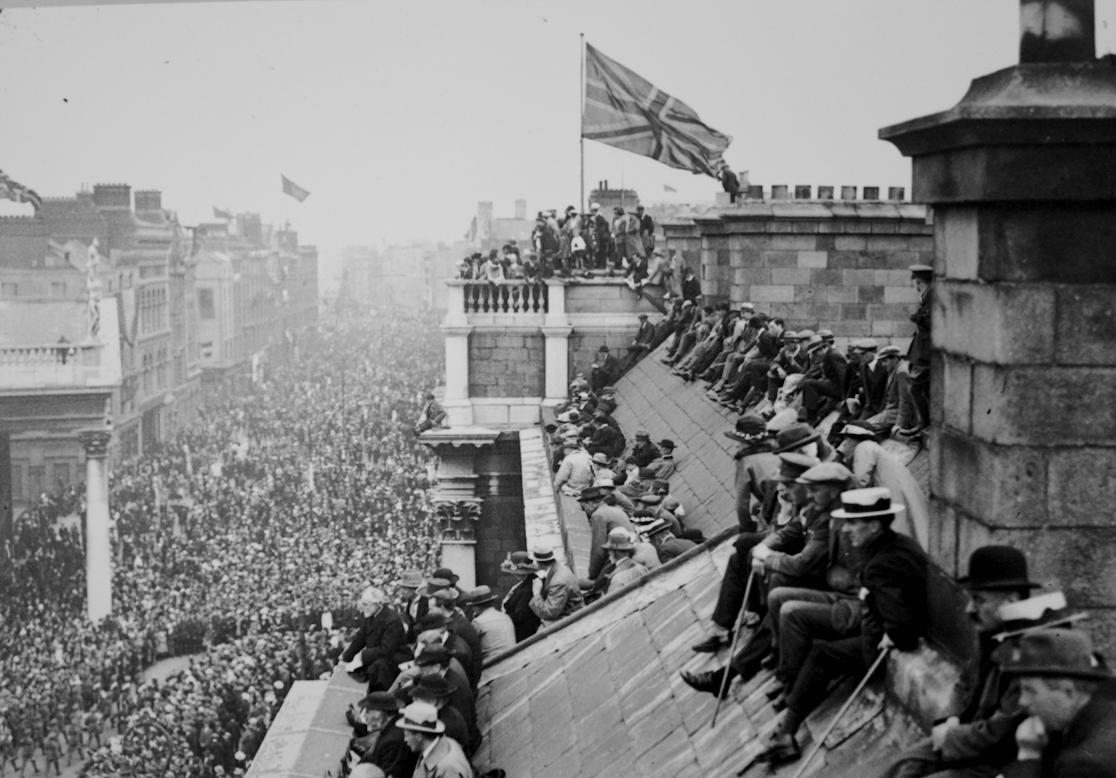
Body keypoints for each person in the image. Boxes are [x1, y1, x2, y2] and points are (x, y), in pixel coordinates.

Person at [758, 486, 929, 766]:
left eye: (853, 523)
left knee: (822, 654)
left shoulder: (880, 564)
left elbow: (900, 624)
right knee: (821, 648)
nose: (847, 530)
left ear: (873, 525)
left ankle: (787, 732)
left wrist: (892, 635)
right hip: (883, 631)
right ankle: (787, 730)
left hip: (877, 649)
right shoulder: (896, 544)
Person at [875, 545, 1050, 778]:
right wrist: (953, 719)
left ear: (1012, 600)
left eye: (979, 600)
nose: (969, 609)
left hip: (1003, 760)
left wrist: (950, 737)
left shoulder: (1031, 652)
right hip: (969, 740)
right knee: (903, 765)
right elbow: (964, 684)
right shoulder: (990, 636)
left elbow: (1000, 731)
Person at [998, 629, 1116, 778]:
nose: (1022, 701)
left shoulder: (1085, 765)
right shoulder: (1102, 715)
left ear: (1068, 692)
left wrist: (1029, 755)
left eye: (1030, 690)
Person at [341, 586, 411, 692]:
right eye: (363, 604)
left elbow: (386, 649)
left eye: (366, 604)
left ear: (377, 604)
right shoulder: (370, 615)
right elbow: (360, 638)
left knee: (376, 668)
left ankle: (380, 699)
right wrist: (346, 656)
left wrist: (362, 655)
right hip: (377, 655)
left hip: (394, 658)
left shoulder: (392, 620)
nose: (363, 607)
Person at [395, 701, 474, 778]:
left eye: (406, 735)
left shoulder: (448, 768)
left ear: (419, 737)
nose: (405, 740)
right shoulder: (439, 745)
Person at [904, 264, 933, 435]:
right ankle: (927, 423)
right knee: (924, 388)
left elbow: (931, 322)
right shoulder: (928, 295)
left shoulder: (932, 295)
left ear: (918, 281)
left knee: (916, 388)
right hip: (922, 351)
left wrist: (916, 317)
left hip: (927, 352)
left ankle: (925, 423)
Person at [528, 545, 583, 625]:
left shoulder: (558, 582)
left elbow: (549, 613)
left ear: (539, 563)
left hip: (571, 619)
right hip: (568, 611)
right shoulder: (560, 568)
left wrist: (536, 594)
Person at [463, 586, 515, 662]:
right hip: (513, 660)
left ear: (476, 608)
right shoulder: (505, 617)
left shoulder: (478, 622)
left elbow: (469, 646)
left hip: (491, 663)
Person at [499, 552, 542, 642]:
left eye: (517, 572)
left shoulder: (528, 587)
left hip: (524, 633)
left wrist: (501, 618)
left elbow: (520, 616)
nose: (515, 574)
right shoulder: (525, 582)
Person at [599, 527, 650, 595]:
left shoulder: (616, 578)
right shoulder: (641, 567)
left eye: (609, 550)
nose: (608, 553)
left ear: (615, 552)